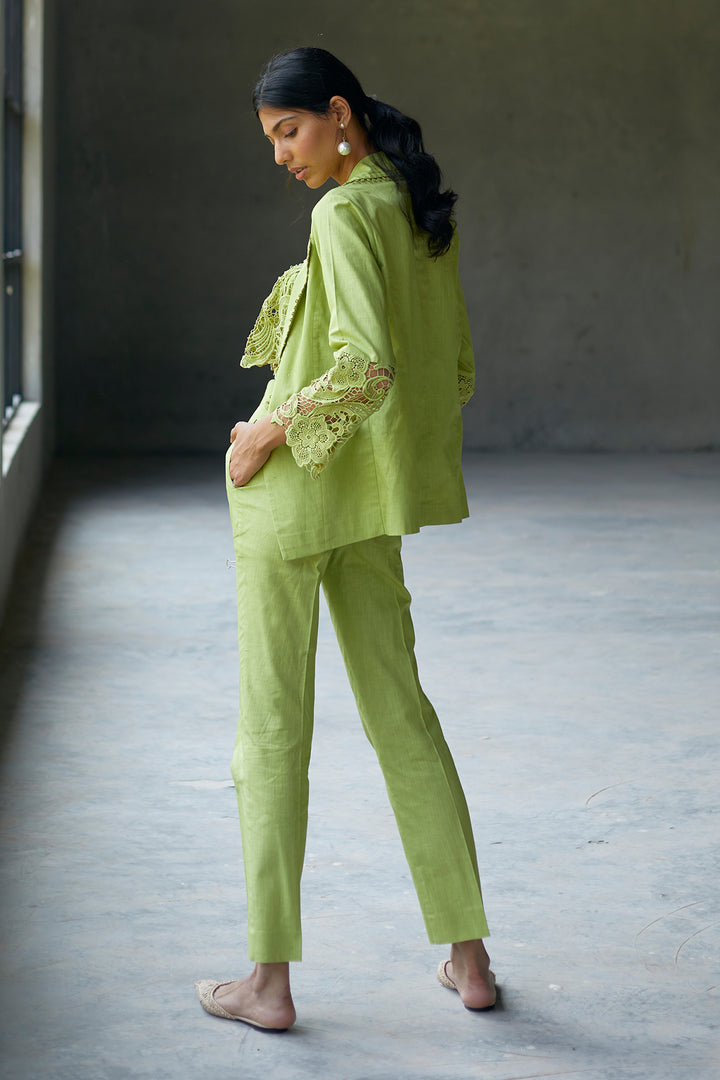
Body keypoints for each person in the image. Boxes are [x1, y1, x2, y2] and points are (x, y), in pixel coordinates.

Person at [195, 46, 496, 1032]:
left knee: (271, 735)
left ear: (337, 113)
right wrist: (387, 467)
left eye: (289, 132)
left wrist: (262, 435)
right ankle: (470, 960)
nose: (282, 155)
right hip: (363, 506)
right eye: (272, 139)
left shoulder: (342, 215)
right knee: (405, 719)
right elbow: (453, 369)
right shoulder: (422, 212)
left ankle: (268, 984)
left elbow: (364, 369)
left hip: (291, 503)